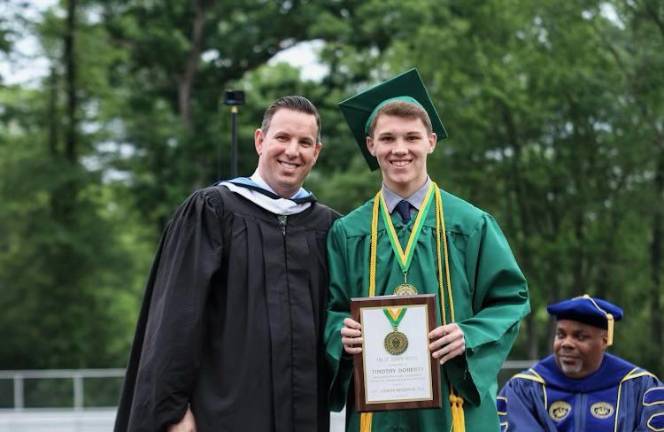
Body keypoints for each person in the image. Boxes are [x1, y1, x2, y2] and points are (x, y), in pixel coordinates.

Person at [114, 96, 338, 432]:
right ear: (260, 141)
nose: (293, 151)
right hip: (221, 417)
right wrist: (172, 410)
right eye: (282, 138)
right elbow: (175, 319)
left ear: (316, 152)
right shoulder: (213, 212)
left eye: (304, 142)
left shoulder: (328, 228)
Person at [324, 68, 530, 432]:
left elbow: (510, 301)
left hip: (453, 406)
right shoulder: (347, 232)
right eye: (387, 138)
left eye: (411, 137)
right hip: (377, 411)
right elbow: (329, 307)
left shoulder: (471, 224)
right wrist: (340, 332)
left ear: (431, 141)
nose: (399, 149)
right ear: (371, 146)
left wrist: (469, 334)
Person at [498, 295, 664, 432]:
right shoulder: (524, 389)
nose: (567, 343)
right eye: (561, 335)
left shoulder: (640, 387)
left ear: (604, 340)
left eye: (580, 337)